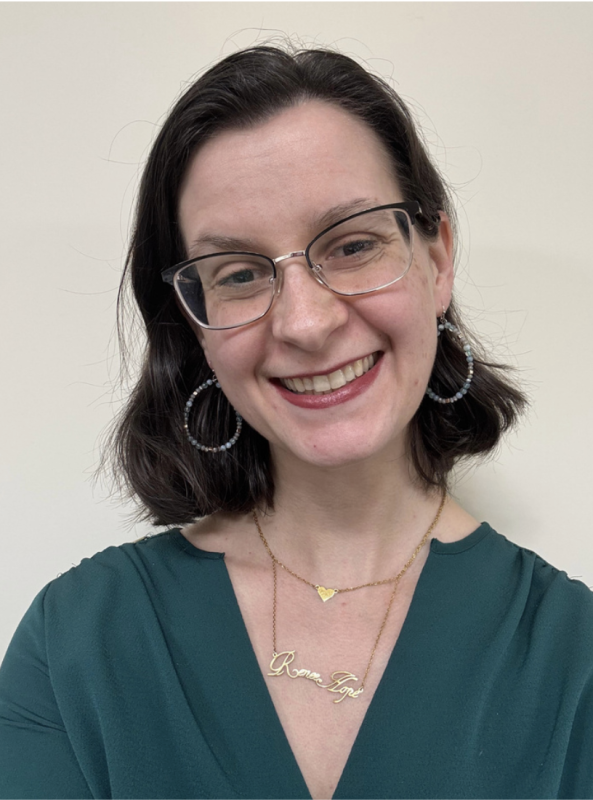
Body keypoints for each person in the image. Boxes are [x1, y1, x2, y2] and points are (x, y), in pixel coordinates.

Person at [1, 44, 592, 800]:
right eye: (239, 273)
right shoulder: (76, 644)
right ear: (195, 322)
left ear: (436, 259)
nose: (306, 323)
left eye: (351, 245)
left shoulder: (572, 656)